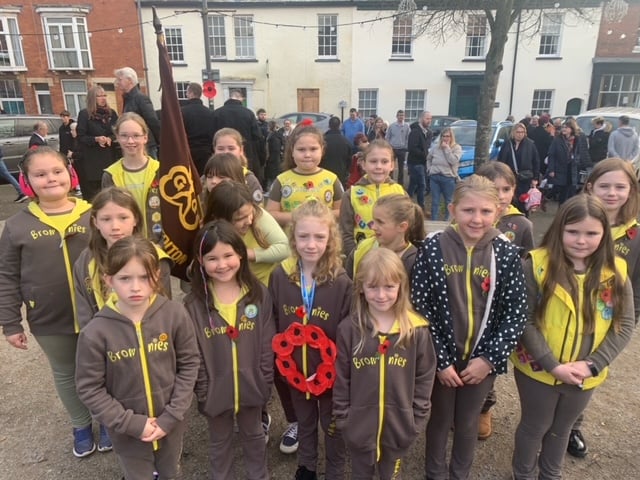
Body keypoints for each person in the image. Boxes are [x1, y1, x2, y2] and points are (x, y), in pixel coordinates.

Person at [411, 175, 527, 480]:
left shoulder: (506, 254)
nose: (477, 219)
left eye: (486, 212)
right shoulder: (433, 249)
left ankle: (458, 474)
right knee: (438, 419)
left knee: (467, 422)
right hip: (441, 361)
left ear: (498, 212)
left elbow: (515, 313)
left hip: (481, 362)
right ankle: (434, 474)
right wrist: (440, 360)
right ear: (452, 209)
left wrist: (488, 360)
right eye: (468, 210)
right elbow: (421, 309)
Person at [511, 194, 634, 480]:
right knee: (535, 425)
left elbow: (624, 323)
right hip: (538, 370)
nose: (581, 240)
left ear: (604, 234)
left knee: (562, 428)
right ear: (558, 229)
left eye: (591, 233)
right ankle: (524, 474)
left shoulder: (616, 271)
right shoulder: (536, 265)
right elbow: (525, 320)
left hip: (585, 374)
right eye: (573, 231)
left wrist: (593, 364)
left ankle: (551, 474)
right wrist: (551, 364)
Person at [75, 236, 199, 480]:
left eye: (144, 277)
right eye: (124, 278)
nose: (135, 287)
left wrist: (171, 416)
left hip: (171, 425)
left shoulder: (174, 314)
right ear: (108, 280)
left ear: (157, 276)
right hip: (127, 433)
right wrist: (131, 424)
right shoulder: (95, 332)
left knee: (170, 472)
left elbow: (189, 364)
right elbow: (90, 388)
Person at [0, 147, 96, 457]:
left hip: (99, 314)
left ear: (70, 173)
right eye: (39, 174)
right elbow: (6, 276)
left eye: (56, 171)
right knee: (66, 372)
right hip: (49, 318)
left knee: (106, 369)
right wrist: (11, 322)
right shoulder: (17, 226)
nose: (50, 178)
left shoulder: (94, 213)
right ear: (26, 181)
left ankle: (107, 420)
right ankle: (81, 424)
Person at [334, 248, 436, 480]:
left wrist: (415, 421)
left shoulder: (416, 331)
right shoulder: (349, 330)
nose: (381, 295)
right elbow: (342, 378)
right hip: (358, 429)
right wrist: (344, 419)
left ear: (401, 286)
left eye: (389, 286)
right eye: (373, 286)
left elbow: (424, 378)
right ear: (360, 287)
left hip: (399, 429)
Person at [269, 199, 351, 480]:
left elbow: (347, 331)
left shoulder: (341, 280)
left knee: (332, 424)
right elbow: (274, 321)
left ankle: (335, 470)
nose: (311, 244)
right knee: (304, 421)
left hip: (330, 376)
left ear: (331, 239)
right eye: (303, 236)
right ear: (293, 237)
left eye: (319, 237)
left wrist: (342, 372)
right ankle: (306, 466)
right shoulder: (280, 275)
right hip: (295, 372)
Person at [185, 220, 274, 480]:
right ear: (200, 261)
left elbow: (268, 344)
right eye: (212, 258)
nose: (222, 265)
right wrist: (203, 388)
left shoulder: (258, 295)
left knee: (255, 438)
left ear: (241, 254)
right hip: (214, 392)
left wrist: (264, 380)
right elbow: (192, 355)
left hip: (252, 387)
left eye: (228, 255)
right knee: (219, 444)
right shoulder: (193, 305)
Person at [569, 158, 640, 458]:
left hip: (607, 318)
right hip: (568, 312)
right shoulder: (575, 220)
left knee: (590, 370)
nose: (612, 193)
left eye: (620, 187)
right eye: (605, 186)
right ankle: (549, 421)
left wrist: (630, 320)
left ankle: (573, 425)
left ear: (631, 190)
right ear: (590, 187)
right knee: (563, 365)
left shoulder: (635, 235)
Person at [474, 162, 535, 439]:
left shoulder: (521, 224)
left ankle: (484, 407)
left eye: (506, 189)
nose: (499, 195)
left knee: (489, 359)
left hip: (499, 304)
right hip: (470, 299)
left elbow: (528, 264)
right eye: (493, 188)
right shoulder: (471, 212)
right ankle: (462, 405)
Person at [73, 186, 173, 331]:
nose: (115, 226)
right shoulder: (86, 260)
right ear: (96, 222)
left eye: (123, 218)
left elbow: (164, 305)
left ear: (135, 219)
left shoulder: (156, 257)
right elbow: (84, 311)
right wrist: (93, 342)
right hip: (104, 339)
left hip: (150, 338)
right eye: (106, 219)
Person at [203, 181, 289, 286]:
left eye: (249, 214)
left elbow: (285, 248)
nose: (249, 221)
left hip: (264, 285)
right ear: (219, 218)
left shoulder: (259, 216)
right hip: (229, 286)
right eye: (240, 219)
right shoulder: (210, 231)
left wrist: (248, 254)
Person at [267, 123, 344, 228]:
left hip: (323, 241)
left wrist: (318, 217)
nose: (307, 155)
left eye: (313, 149)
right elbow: (271, 214)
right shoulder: (281, 180)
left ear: (322, 150)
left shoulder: (332, 179)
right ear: (292, 151)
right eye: (301, 150)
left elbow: (341, 212)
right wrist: (298, 217)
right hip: (292, 242)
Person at [102, 112, 162, 244]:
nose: (130, 141)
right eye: (124, 136)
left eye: (136, 136)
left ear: (145, 137)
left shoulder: (160, 170)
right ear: (117, 137)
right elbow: (107, 215)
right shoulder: (110, 175)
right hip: (125, 248)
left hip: (158, 245)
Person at [340, 139, 405, 256]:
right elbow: (346, 233)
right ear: (363, 164)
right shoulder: (351, 195)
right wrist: (354, 257)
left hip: (394, 258)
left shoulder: (400, 193)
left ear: (392, 165)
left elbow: (408, 227)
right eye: (373, 161)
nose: (378, 166)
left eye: (384, 162)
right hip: (362, 258)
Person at [345, 193, 425, 278]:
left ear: (402, 227)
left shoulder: (414, 261)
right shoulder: (362, 248)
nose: (373, 227)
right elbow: (348, 286)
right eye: (374, 220)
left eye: (380, 222)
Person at [213, 89, 265, 186]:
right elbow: (257, 137)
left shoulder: (217, 113)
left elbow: (211, 136)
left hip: (221, 157)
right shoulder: (248, 113)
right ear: (241, 99)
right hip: (244, 155)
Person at [76, 85, 119, 202]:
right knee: (95, 196)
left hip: (109, 157)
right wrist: (96, 139)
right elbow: (81, 137)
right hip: (93, 161)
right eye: (99, 96)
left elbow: (117, 132)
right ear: (92, 98)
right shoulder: (85, 114)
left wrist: (110, 138)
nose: (103, 98)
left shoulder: (112, 113)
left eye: (104, 95)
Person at [114, 67, 161, 159]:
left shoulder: (140, 98)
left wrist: (160, 141)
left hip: (145, 146)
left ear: (130, 80)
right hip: (134, 144)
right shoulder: (128, 99)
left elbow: (152, 121)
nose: (117, 82)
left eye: (120, 79)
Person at [497, 122, 540, 214]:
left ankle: (522, 218)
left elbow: (536, 162)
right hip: (509, 177)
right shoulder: (507, 144)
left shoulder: (530, 144)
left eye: (522, 132)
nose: (520, 134)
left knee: (523, 200)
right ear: (513, 132)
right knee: (510, 199)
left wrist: (535, 178)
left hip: (524, 178)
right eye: (518, 132)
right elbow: (500, 160)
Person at [547, 118, 591, 205]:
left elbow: (581, 151)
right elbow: (551, 154)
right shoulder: (558, 140)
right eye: (563, 127)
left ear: (572, 129)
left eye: (566, 127)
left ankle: (568, 209)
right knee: (559, 189)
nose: (564, 129)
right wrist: (551, 169)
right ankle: (550, 200)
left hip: (573, 168)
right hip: (560, 167)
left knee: (571, 190)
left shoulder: (578, 139)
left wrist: (580, 162)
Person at [213, 127, 264, 202]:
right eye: (220, 149)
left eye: (231, 148)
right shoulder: (208, 178)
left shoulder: (249, 180)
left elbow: (258, 210)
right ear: (214, 150)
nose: (226, 152)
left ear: (241, 150)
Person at [428, 126, 462, 221]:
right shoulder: (435, 148)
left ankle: (447, 222)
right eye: (443, 136)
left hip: (448, 178)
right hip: (435, 177)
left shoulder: (457, 148)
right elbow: (429, 158)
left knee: (449, 201)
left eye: (448, 136)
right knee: (435, 201)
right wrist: (429, 169)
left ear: (451, 137)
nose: (445, 138)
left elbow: (453, 160)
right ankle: (433, 221)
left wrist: (447, 149)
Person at [180, 82, 215, 175]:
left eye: (187, 92)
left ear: (191, 93)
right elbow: (213, 133)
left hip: (188, 152)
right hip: (206, 152)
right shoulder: (209, 113)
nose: (186, 94)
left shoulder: (182, 112)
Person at [408, 112, 434, 210]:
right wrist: (425, 155)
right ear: (421, 119)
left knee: (413, 184)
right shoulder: (415, 131)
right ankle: (421, 207)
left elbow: (427, 147)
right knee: (422, 185)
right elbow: (411, 148)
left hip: (423, 162)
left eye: (430, 119)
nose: (429, 121)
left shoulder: (429, 133)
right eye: (427, 118)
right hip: (415, 162)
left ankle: (407, 200)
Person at [322, 116, 352, 187]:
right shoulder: (346, 142)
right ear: (340, 126)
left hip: (324, 173)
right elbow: (349, 161)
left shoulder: (322, 141)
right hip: (341, 174)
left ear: (329, 126)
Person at [386, 110, 412, 187]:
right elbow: (387, 137)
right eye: (399, 115)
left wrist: (406, 146)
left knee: (401, 168)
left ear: (404, 117)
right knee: (391, 167)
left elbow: (409, 137)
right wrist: (389, 146)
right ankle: (390, 183)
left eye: (402, 115)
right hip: (392, 149)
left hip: (402, 150)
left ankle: (400, 184)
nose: (401, 117)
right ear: (396, 116)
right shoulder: (392, 126)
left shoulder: (407, 126)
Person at [265, 120, 283, 190]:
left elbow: (276, 149)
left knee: (273, 176)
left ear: (270, 127)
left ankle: (272, 190)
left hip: (274, 159)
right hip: (273, 159)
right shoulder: (273, 135)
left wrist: (270, 159)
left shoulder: (274, 136)